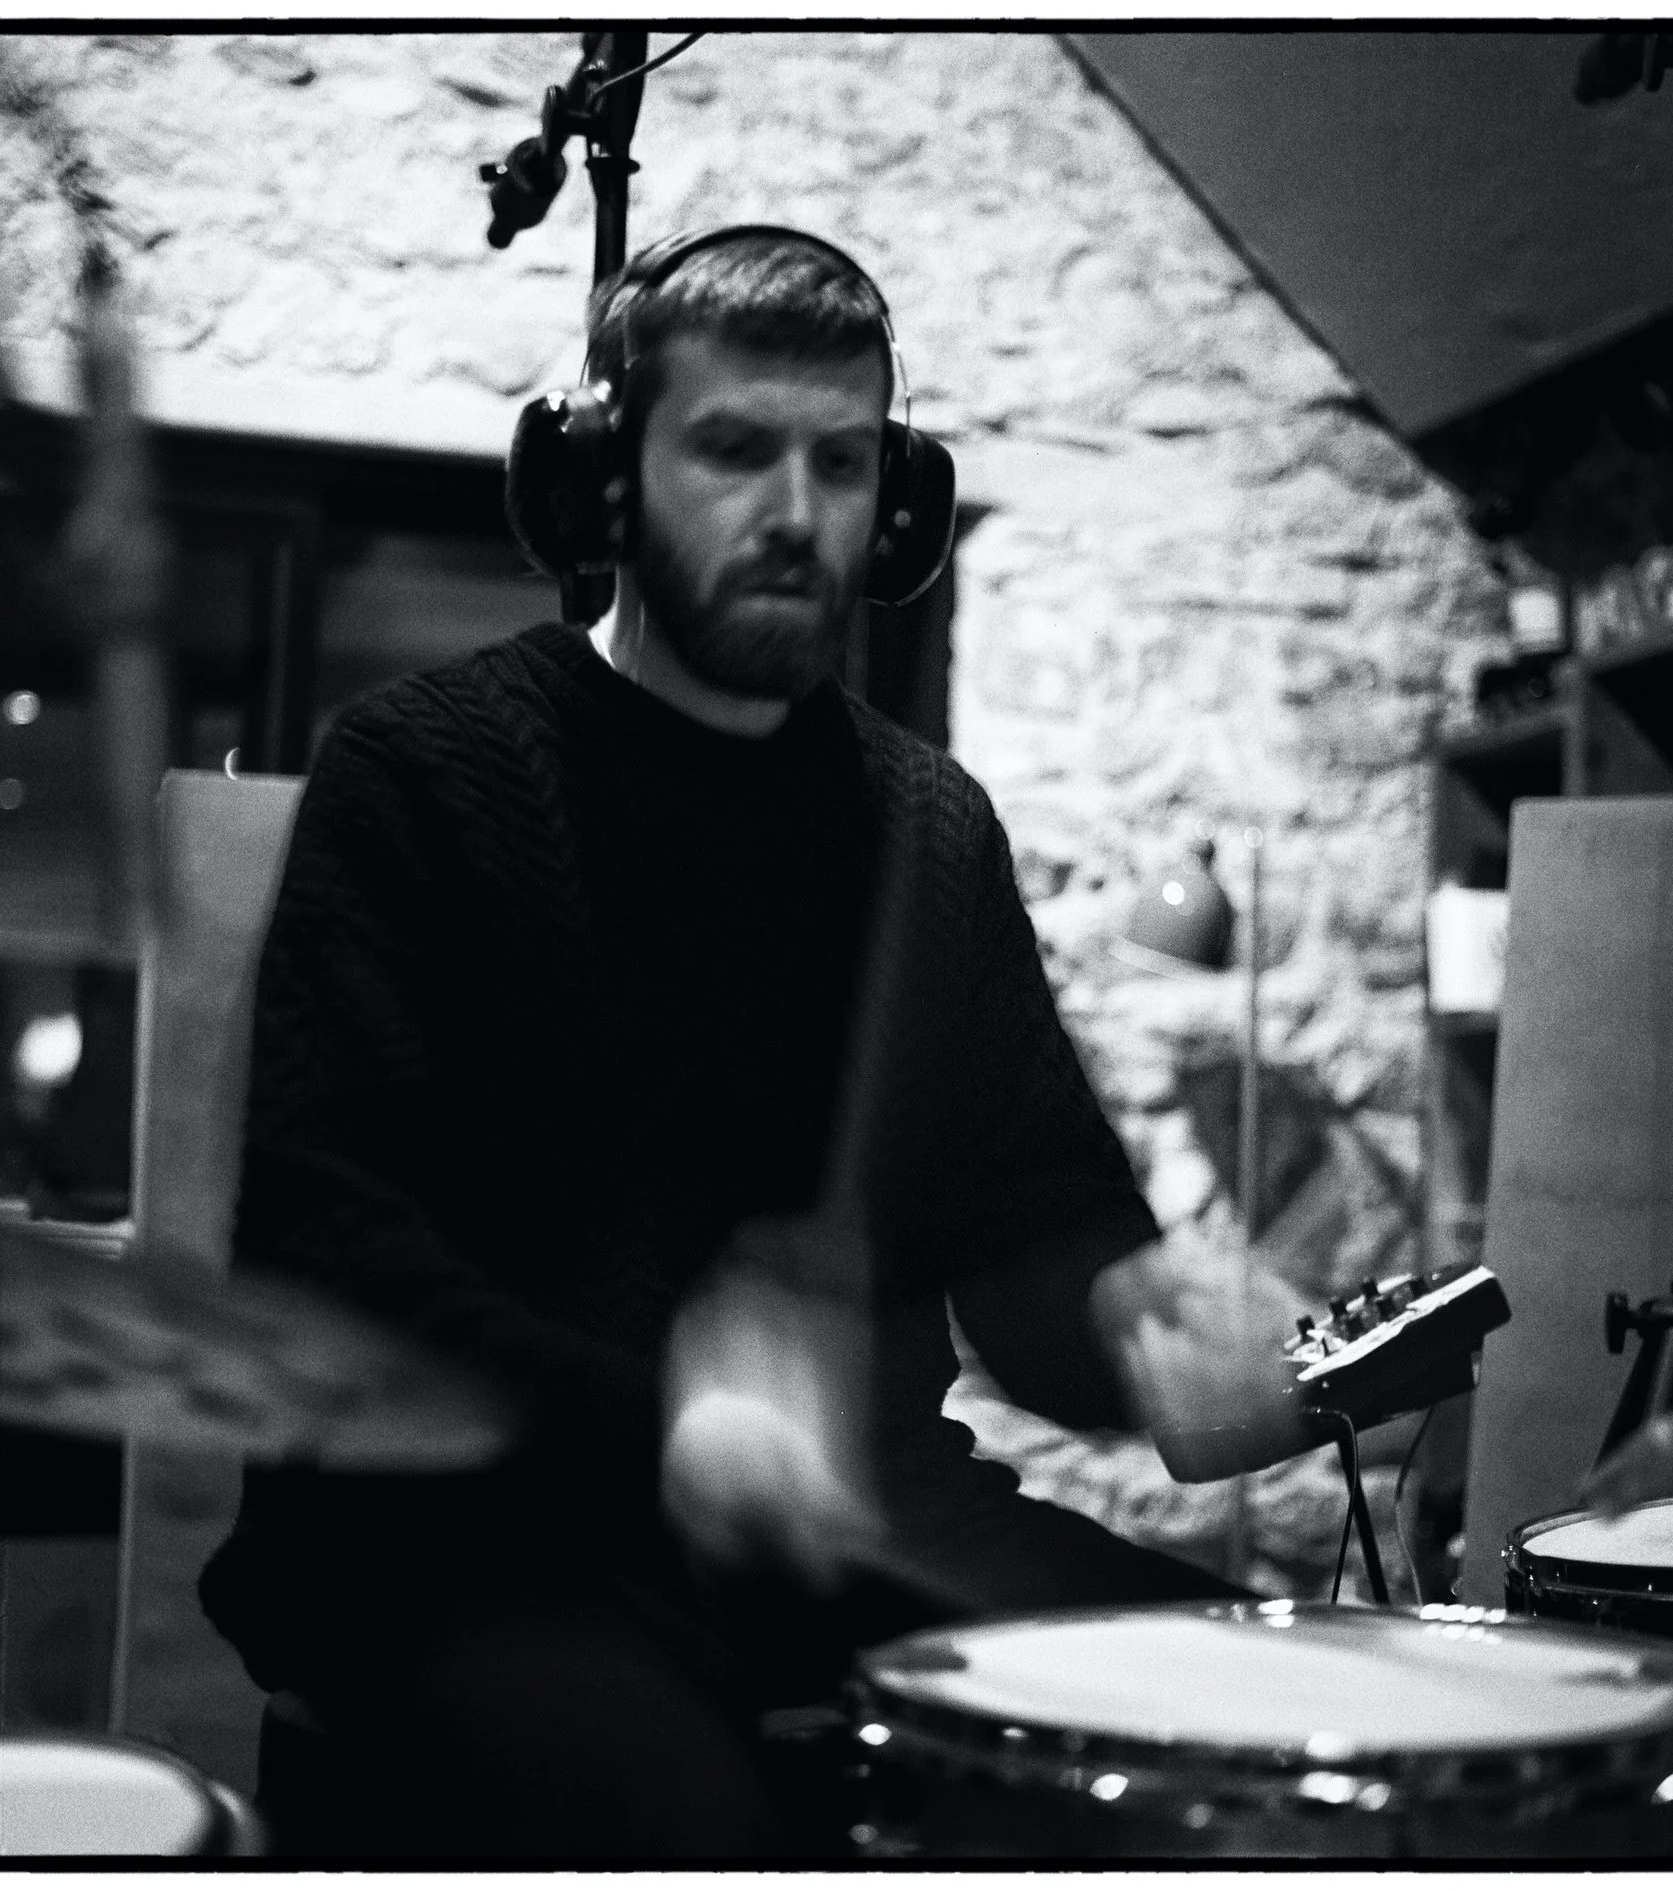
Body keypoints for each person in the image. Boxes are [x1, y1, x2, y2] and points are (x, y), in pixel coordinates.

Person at [199, 226, 1315, 1860]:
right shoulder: (422, 772)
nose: (796, 512)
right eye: (734, 449)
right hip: (469, 1549)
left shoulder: (928, 825)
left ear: (896, 501)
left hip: (858, 1537)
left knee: (1270, 1729)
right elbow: (322, 1245)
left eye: (842, 462)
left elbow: (1035, 1227)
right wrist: (665, 1423)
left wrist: (1141, 1325)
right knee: (683, 1815)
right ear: (604, 481)